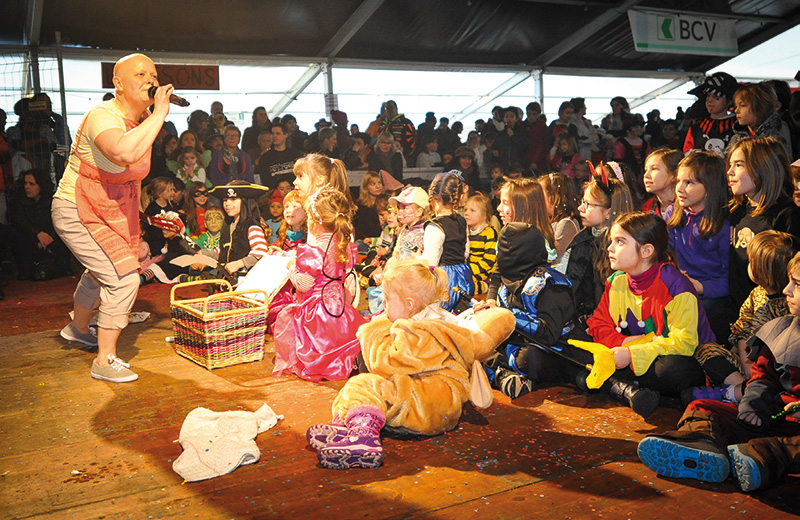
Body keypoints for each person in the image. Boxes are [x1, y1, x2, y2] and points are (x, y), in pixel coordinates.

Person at [307, 258, 516, 469]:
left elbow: (383, 363)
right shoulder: (439, 319)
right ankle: (350, 427)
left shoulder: (419, 332)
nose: (383, 305)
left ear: (409, 304)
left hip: (428, 404)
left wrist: (374, 328)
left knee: (364, 385)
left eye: (387, 299)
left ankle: (362, 440)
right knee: (367, 385)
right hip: (434, 399)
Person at [52, 53, 173, 383]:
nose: (150, 79)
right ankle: (104, 360)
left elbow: (131, 179)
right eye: (140, 74)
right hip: (77, 209)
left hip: (111, 209)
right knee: (123, 278)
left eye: (153, 74)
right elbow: (122, 153)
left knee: (101, 271)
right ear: (117, 83)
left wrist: (144, 223)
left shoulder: (144, 119)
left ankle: (78, 329)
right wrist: (160, 114)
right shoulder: (102, 116)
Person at [637, 251, 800, 492]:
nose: (786, 290)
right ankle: (704, 444)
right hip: (775, 416)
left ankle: (763, 457)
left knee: (781, 447)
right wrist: (752, 407)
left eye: (796, 284)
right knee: (702, 408)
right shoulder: (782, 330)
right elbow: (763, 378)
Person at [584, 212, 711, 414]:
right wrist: (624, 343)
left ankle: (621, 386)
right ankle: (630, 388)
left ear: (646, 251)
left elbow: (686, 343)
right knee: (579, 346)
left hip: (681, 360)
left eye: (620, 242)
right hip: (632, 354)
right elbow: (598, 324)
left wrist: (633, 354)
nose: (610, 248)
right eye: (611, 241)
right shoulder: (616, 281)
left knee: (671, 370)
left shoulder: (675, 285)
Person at [475, 221, 577, 399]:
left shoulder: (551, 284)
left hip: (554, 349)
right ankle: (504, 376)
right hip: (517, 342)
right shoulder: (511, 279)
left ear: (519, 254)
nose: (499, 256)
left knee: (529, 359)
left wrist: (505, 315)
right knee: (476, 340)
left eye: (504, 251)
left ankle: (498, 374)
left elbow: (549, 333)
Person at [272, 186, 365, 381]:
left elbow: (304, 285)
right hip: (339, 307)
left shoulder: (313, 251)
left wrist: (291, 268)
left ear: (316, 221)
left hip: (317, 311)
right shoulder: (344, 244)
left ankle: (321, 362)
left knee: (289, 318)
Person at [665, 152, 731, 344]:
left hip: (711, 295)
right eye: (678, 180)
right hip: (680, 286)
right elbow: (664, 251)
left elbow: (730, 280)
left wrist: (699, 286)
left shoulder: (722, 226)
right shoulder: (673, 213)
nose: (680, 188)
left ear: (710, 187)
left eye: (690, 183)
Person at [727, 137, 800, 310]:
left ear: (764, 167)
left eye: (739, 164)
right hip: (739, 309)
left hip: (773, 312)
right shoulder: (736, 212)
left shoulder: (787, 215)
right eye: (730, 164)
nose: (730, 171)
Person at [563, 168, 633, 327]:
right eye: (582, 202)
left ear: (608, 212)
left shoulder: (622, 248)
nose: (581, 208)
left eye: (588, 204)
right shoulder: (582, 239)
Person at [727, 231, 796, 379]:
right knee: (707, 351)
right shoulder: (755, 294)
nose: (748, 265)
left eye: (752, 263)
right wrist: (747, 370)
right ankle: (741, 386)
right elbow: (742, 332)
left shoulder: (790, 303)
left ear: (763, 272)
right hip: (746, 362)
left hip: (772, 368)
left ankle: (740, 390)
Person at [422, 171, 473, 311]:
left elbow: (430, 261)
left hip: (444, 280)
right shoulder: (462, 221)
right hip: (464, 275)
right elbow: (465, 252)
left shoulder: (434, 226)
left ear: (433, 197)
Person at [9, 168, 71, 280]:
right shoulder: (19, 201)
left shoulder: (51, 201)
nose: (27, 187)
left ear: (41, 185)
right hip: (30, 239)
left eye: (32, 184)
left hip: (49, 238)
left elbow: (58, 221)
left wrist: (48, 237)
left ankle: (61, 268)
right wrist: (37, 234)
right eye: (25, 183)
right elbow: (19, 221)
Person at [204, 181, 269, 282]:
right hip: (226, 281)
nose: (227, 204)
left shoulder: (252, 226)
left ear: (245, 201)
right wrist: (203, 255)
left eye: (233, 199)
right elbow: (223, 250)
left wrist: (239, 263)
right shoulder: (228, 226)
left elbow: (261, 253)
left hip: (246, 282)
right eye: (225, 200)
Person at [683, 72, 738, 156]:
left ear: (729, 101)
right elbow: (687, 150)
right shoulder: (697, 126)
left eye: (717, 97)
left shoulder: (737, 126)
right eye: (708, 96)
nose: (710, 101)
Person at [727, 83, 791, 154]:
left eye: (743, 105)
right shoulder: (736, 138)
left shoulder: (773, 141)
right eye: (736, 106)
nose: (736, 111)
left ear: (761, 108)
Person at [538, 172, 580, 265]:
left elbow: (553, 258)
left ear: (553, 197)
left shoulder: (567, 223)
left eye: (541, 194)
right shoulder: (550, 221)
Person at [464, 193, 497, 295]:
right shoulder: (465, 232)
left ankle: (484, 286)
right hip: (468, 268)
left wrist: (470, 269)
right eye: (465, 210)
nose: (466, 213)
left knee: (465, 284)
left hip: (483, 270)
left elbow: (489, 260)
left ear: (485, 215)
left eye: (472, 211)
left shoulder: (489, 232)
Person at [254, 123, 303, 190]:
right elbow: (265, 181)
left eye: (278, 133)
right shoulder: (265, 158)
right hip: (274, 194)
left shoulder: (296, 155)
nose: (274, 136)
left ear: (285, 135)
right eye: (272, 134)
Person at [641, 149, 681, 218]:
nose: (646, 175)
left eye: (654, 169)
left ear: (674, 175)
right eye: (645, 170)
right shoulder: (648, 207)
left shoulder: (688, 207)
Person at [353, 171, 384, 245]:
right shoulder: (360, 207)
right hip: (365, 241)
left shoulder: (385, 202)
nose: (378, 186)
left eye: (379, 183)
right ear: (366, 187)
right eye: (373, 184)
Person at [524, 102, 547, 174]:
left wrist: (535, 161)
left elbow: (541, 145)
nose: (531, 117)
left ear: (538, 114)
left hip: (538, 160)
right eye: (529, 114)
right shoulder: (522, 126)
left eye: (534, 114)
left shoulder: (542, 127)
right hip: (525, 158)